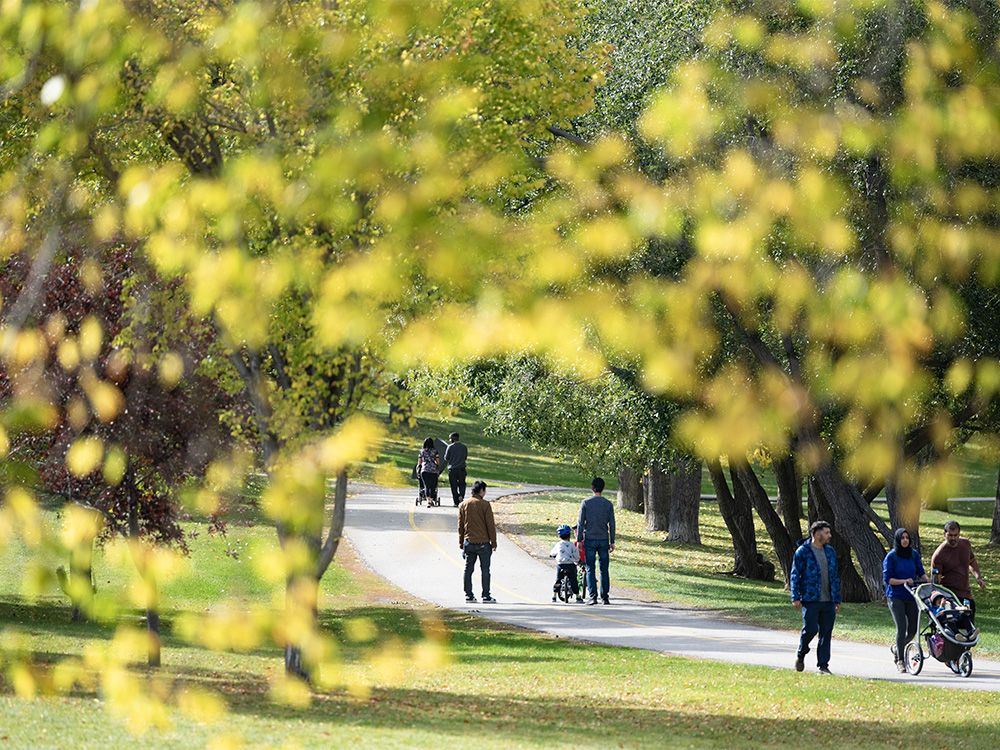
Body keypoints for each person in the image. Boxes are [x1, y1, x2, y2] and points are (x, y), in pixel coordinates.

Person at [790, 520, 842, 674]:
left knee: (826, 633)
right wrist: (795, 596)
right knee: (811, 629)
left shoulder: (830, 551)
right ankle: (801, 653)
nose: (829, 536)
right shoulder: (803, 551)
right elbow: (795, 575)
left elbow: (835, 576)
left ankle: (823, 666)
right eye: (826, 533)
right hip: (810, 599)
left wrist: (837, 599)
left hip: (828, 600)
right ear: (817, 533)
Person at [882, 528, 928, 672]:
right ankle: (900, 660)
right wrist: (904, 581)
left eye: (907, 537)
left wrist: (928, 581)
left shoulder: (913, 555)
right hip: (896, 596)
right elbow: (888, 579)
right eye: (902, 538)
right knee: (901, 628)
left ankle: (898, 647)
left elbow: (920, 572)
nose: (905, 540)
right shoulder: (891, 556)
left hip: (911, 595)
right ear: (897, 540)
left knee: (913, 629)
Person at [931, 520, 986, 623]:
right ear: (944, 534)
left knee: (969, 624)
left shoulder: (965, 544)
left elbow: (972, 561)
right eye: (950, 535)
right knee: (955, 627)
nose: (953, 538)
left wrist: (978, 577)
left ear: (959, 534)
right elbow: (936, 582)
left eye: (956, 535)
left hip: (966, 594)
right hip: (950, 596)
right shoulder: (939, 555)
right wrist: (940, 600)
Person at [576, 477, 615, 605]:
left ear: (592, 488)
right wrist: (612, 541)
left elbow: (580, 523)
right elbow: (612, 524)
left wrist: (579, 540)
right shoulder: (608, 504)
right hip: (604, 538)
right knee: (604, 569)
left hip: (590, 539)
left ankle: (593, 596)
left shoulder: (586, 503)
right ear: (603, 488)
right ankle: (605, 597)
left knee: (590, 568)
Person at [458, 480, 497, 603]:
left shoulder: (463, 504)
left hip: (469, 542)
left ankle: (468, 595)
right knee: (485, 570)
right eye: (484, 490)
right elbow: (490, 525)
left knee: (468, 569)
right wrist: (494, 542)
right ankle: (486, 595)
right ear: (481, 491)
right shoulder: (485, 505)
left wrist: (461, 542)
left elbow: (460, 526)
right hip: (483, 543)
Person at [549, 524, 583, 603]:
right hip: (570, 565)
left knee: (558, 580)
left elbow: (553, 553)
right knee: (573, 580)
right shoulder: (571, 545)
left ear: (559, 536)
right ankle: (578, 596)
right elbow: (576, 555)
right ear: (569, 535)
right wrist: (578, 560)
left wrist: (552, 555)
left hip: (561, 564)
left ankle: (554, 596)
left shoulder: (558, 544)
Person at [444, 432, 468, 507]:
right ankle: (461, 496)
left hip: (453, 469)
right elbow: (465, 457)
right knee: (462, 484)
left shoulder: (450, 447)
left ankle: (456, 501)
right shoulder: (464, 447)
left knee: (453, 486)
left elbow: (446, 458)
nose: (449, 440)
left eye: (450, 438)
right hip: (462, 469)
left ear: (453, 439)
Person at [417, 437, 441, 506]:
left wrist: (419, 469)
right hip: (433, 470)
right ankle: (431, 499)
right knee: (433, 486)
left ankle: (428, 500)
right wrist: (437, 466)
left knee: (426, 485)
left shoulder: (422, 451)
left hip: (424, 470)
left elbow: (419, 462)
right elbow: (438, 461)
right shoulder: (435, 451)